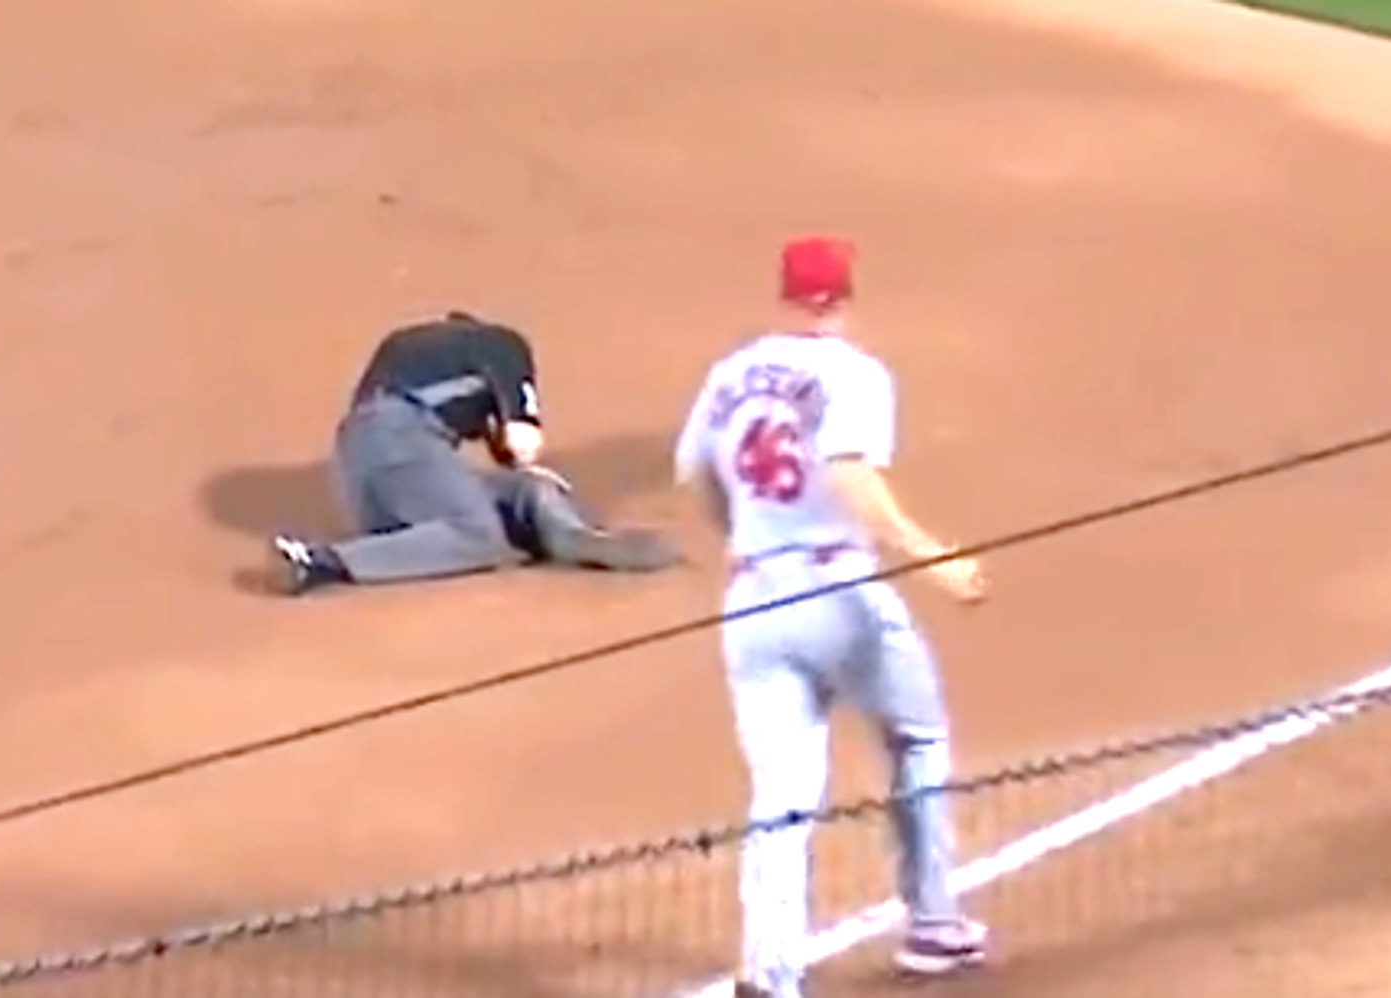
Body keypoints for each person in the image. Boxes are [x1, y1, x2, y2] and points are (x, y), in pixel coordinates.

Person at [672, 237, 990, 998]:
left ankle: (772, 976)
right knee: (917, 734)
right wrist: (930, 556)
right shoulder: (854, 374)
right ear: (844, 297)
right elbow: (848, 469)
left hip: (753, 600)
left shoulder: (729, 375)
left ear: (785, 295)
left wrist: (748, 540)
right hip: (839, 591)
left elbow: (695, 474)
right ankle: (935, 923)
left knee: (781, 795)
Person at [268, 310, 680, 595]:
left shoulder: (408, 347)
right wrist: (529, 461)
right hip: (402, 437)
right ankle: (323, 562)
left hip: (364, 482)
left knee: (514, 493)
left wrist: (517, 467)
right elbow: (522, 441)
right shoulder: (502, 344)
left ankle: (564, 534)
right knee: (480, 528)